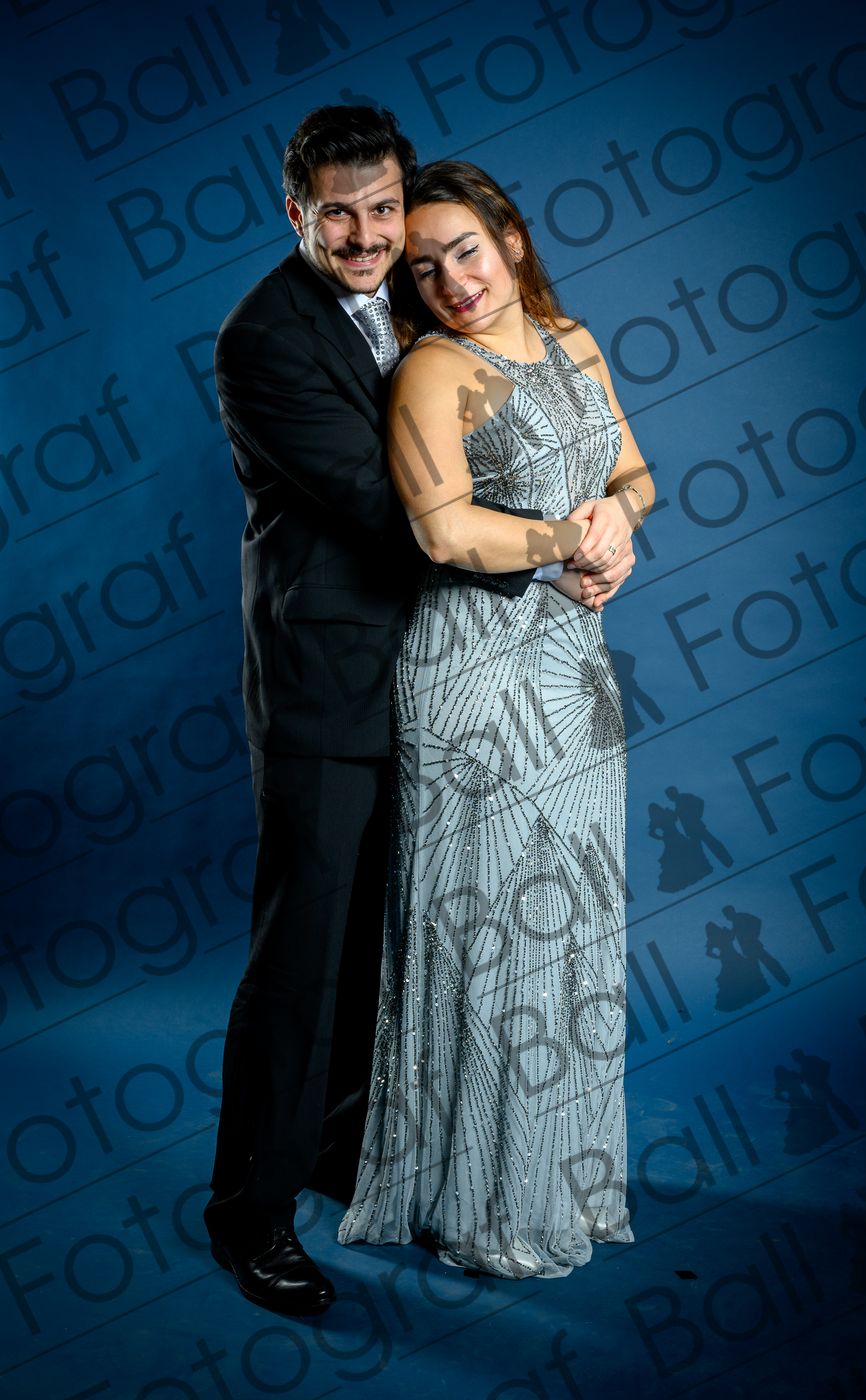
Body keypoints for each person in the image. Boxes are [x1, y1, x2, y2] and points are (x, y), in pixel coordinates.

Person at [203, 109, 627, 1317]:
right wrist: (555, 537)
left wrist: (612, 509)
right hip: (332, 682)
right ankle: (251, 1211)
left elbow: (528, 412)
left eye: (381, 207)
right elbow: (395, 507)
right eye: (337, 213)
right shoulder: (263, 338)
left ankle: (354, 1153)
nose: (366, 234)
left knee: (400, 937)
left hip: (449, 677)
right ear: (296, 213)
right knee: (305, 953)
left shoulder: (411, 289)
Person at [338, 160, 654, 1279]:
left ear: (510, 239)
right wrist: (570, 544)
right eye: (422, 267)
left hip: (574, 670)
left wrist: (614, 523)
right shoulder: (432, 370)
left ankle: (556, 1171)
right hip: (473, 676)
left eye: (465, 250)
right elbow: (441, 531)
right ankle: (476, 1194)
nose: (452, 280)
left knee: (569, 924)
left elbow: (633, 474)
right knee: (493, 932)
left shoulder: (572, 341)